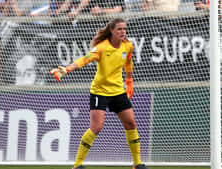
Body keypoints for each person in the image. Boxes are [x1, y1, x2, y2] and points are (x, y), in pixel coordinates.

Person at [50, 18, 149, 169]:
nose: (123, 32)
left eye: (124, 29)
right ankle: (77, 165)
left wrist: (129, 81)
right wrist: (67, 69)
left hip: (118, 92)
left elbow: (128, 62)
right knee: (96, 127)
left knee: (131, 123)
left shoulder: (128, 46)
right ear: (112, 31)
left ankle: (137, 164)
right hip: (100, 92)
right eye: (119, 29)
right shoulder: (102, 47)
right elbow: (84, 59)